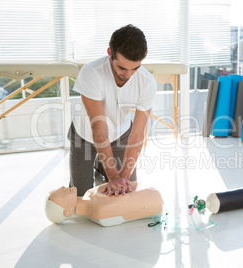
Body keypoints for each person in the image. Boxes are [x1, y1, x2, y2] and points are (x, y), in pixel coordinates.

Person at [69, 24, 157, 196]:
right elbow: (98, 130)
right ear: (110, 53)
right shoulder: (91, 72)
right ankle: (100, 163)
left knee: (127, 190)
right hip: (85, 134)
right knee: (81, 195)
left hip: (120, 133)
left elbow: (138, 135)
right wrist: (112, 176)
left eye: (135, 68)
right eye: (122, 68)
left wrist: (122, 178)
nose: (128, 75)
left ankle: (101, 163)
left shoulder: (147, 82)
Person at [45, 182, 163, 227]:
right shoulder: (100, 212)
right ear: (68, 211)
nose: (61, 187)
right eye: (59, 194)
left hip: (147, 191)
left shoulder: (89, 193)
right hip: (153, 198)